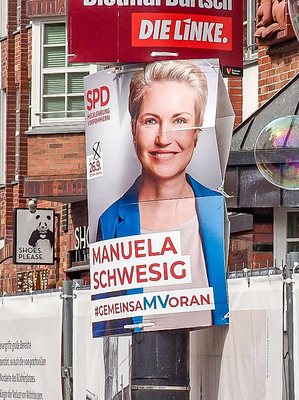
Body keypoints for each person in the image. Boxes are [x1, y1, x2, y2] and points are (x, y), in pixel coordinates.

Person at [94, 61, 228, 312]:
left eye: (180, 121)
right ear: (134, 129)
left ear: (197, 131)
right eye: (150, 121)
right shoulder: (110, 221)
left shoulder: (218, 208)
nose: (164, 138)